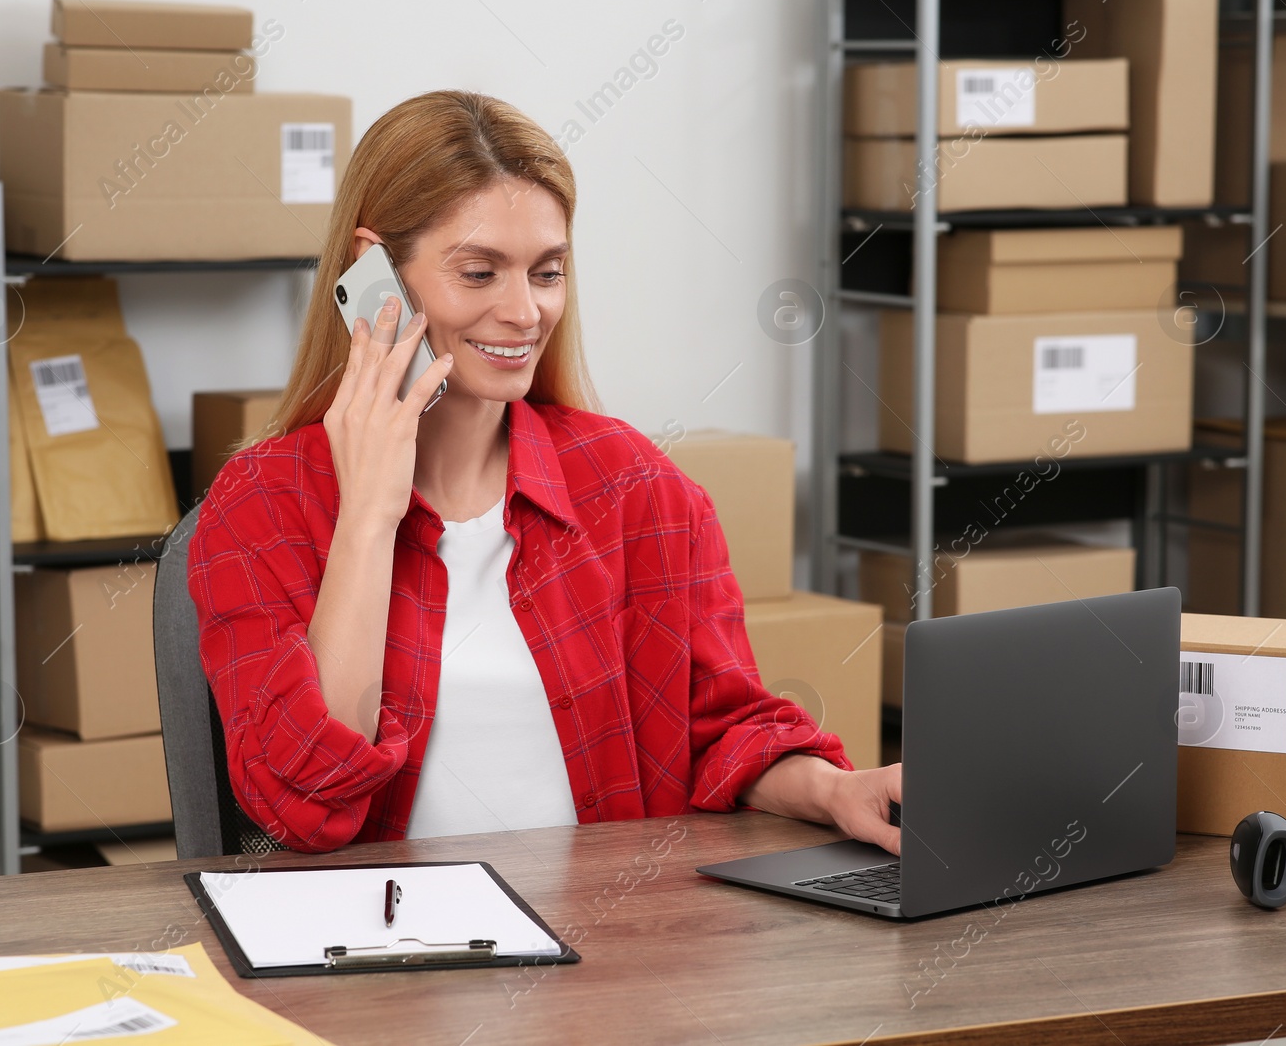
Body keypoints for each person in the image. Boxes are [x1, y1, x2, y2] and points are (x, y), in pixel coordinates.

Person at [187, 90, 902, 856]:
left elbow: (721, 730)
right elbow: (303, 802)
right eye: (480, 271)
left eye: (547, 271)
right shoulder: (263, 501)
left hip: (607, 955)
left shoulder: (635, 487)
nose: (525, 312)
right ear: (374, 273)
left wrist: (833, 789)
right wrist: (368, 515)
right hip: (382, 959)